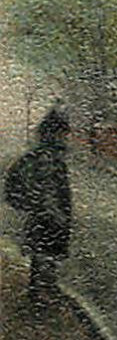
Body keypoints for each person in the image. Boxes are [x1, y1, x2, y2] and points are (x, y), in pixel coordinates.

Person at [5, 107, 73, 297]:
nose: (66, 137)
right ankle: (41, 294)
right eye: (63, 133)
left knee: (41, 251)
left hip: (42, 214)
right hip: (48, 215)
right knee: (46, 251)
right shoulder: (48, 157)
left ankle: (39, 291)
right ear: (55, 133)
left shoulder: (44, 153)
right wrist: (57, 215)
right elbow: (48, 191)